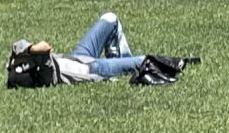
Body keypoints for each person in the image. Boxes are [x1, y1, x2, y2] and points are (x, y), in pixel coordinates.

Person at [10, 12, 149, 82]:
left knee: (110, 17)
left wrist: (32, 50)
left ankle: (123, 65)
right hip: (90, 68)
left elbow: (20, 47)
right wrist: (38, 52)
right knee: (145, 61)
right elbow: (44, 49)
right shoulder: (40, 77)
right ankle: (125, 68)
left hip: (77, 56)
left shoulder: (15, 61)